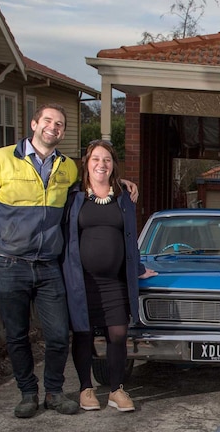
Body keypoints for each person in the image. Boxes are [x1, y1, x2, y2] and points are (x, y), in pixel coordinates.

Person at [0, 104, 137, 419]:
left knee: (58, 334)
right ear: (34, 123)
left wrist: (121, 184)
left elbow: (93, 183)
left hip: (49, 265)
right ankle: (28, 393)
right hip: (9, 262)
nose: (53, 127)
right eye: (48, 121)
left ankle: (55, 393)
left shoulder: (67, 168)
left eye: (60, 124)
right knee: (17, 334)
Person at [62, 140, 156, 413]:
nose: (101, 164)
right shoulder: (74, 195)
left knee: (118, 334)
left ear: (114, 164)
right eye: (95, 159)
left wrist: (137, 268)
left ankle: (116, 390)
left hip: (115, 281)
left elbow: (130, 237)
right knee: (83, 334)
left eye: (107, 160)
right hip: (82, 281)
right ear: (86, 163)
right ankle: (85, 388)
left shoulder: (123, 196)